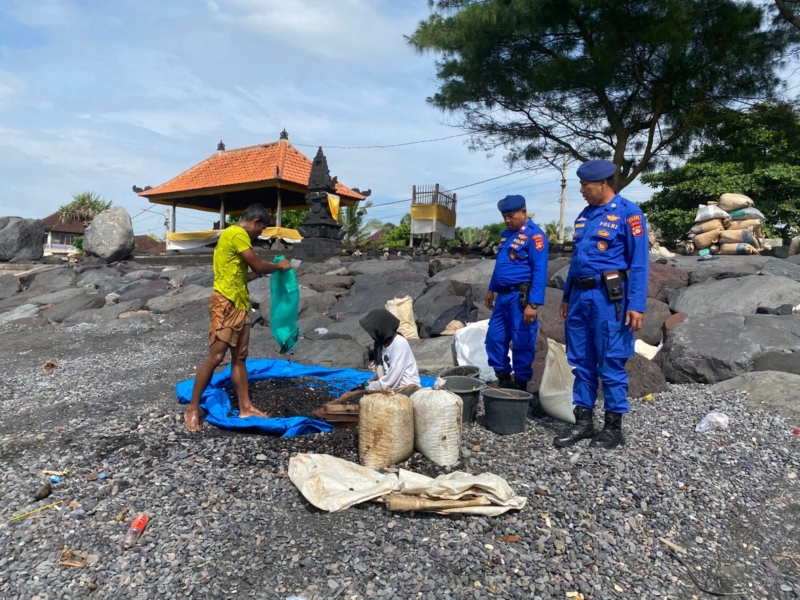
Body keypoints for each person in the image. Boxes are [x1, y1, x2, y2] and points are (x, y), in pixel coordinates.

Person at [554, 160, 649, 450]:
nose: (581, 190)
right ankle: (583, 422)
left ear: (603, 184)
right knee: (581, 361)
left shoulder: (628, 214)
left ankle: (613, 427)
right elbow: (577, 262)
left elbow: (640, 263)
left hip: (609, 299)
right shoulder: (585, 216)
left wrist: (637, 304)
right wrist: (567, 297)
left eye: (585, 185)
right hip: (581, 298)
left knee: (610, 361)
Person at [184, 204, 292, 432]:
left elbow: (246, 274)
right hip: (225, 303)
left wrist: (264, 273)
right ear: (254, 222)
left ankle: (246, 406)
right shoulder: (237, 233)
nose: (259, 235)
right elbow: (256, 263)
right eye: (260, 230)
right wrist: (278, 266)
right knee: (215, 358)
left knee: (240, 357)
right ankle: (192, 408)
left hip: (240, 304)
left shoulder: (234, 237)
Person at [484, 195, 549, 391]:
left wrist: (533, 304)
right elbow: (501, 265)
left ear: (523, 212)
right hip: (503, 296)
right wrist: (491, 288)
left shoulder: (535, 236)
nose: (507, 220)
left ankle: (520, 384)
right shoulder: (506, 235)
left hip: (521, 298)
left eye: (511, 216)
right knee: (494, 338)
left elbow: (540, 270)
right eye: (504, 216)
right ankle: (503, 378)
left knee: (522, 340)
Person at [346, 308, 421, 395]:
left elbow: (392, 378)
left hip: (405, 388)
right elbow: (380, 372)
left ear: (381, 328)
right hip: (388, 388)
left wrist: (369, 388)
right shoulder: (379, 344)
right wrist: (365, 384)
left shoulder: (399, 343)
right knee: (348, 396)